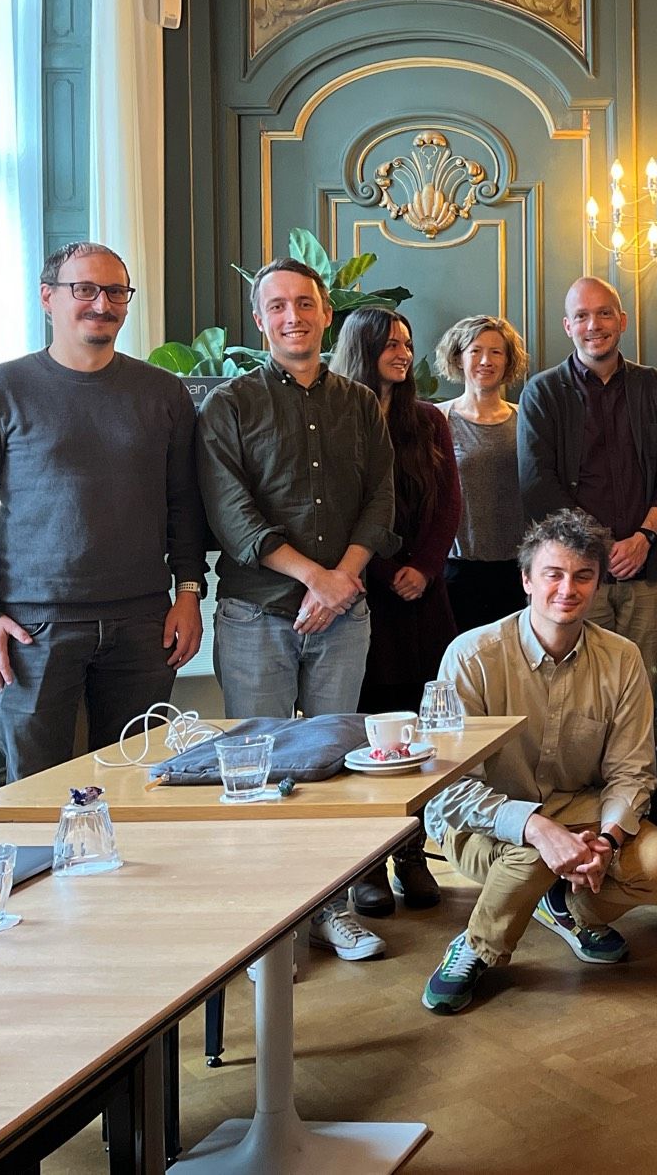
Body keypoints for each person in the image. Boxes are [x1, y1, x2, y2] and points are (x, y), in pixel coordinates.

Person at [197, 257, 397, 961]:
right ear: (261, 319)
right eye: (277, 305)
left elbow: (381, 501)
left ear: (325, 314)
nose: (293, 317)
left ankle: (329, 910)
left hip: (343, 619)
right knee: (255, 774)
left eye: (304, 304)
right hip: (257, 615)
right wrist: (318, 578)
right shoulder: (229, 405)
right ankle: (263, 932)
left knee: (336, 768)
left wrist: (341, 581)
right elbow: (231, 514)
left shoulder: (358, 404)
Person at [0, 243, 207, 780]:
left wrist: (188, 593)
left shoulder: (163, 393)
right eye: (84, 289)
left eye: (115, 291)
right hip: (31, 628)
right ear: (48, 297)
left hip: (144, 624)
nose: (101, 303)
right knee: (34, 789)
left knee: (139, 783)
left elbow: (185, 502)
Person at [420, 510, 657, 1014]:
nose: (569, 588)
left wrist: (607, 841)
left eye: (583, 576)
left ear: (598, 583)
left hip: (578, 810)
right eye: (554, 574)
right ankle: (476, 947)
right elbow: (449, 787)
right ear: (526, 580)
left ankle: (566, 907)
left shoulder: (623, 658)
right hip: (479, 824)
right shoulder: (472, 656)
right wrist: (539, 830)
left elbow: (631, 771)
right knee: (538, 850)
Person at [332, 306, 461, 916]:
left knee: (414, 731)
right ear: (363, 348)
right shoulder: (337, 418)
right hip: (361, 593)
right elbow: (337, 513)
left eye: (408, 344)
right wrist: (382, 571)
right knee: (363, 734)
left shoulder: (429, 420)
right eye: (391, 344)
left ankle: (412, 851)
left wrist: (425, 568)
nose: (404, 353)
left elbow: (448, 506)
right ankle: (367, 865)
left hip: (422, 598)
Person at [519, 276, 657, 700]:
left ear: (623, 320)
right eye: (582, 316)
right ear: (567, 326)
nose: (593, 324)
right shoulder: (542, 393)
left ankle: (634, 770)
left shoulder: (655, 387)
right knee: (575, 691)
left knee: (644, 689)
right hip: (574, 574)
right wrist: (599, 547)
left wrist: (644, 538)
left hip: (647, 568)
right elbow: (538, 485)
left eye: (604, 313)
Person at [435, 314, 531, 631]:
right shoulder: (438, 420)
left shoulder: (525, 421)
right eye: (476, 351)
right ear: (459, 358)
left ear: (508, 361)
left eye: (496, 352)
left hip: (516, 569)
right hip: (455, 569)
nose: (486, 361)